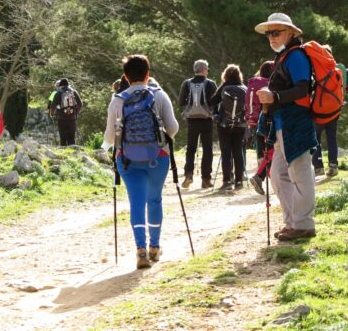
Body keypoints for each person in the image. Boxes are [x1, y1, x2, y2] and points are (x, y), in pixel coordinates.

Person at [104, 54, 179, 269]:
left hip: (127, 161)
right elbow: (173, 128)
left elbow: (110, 138)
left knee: (136, 202)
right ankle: (155, 246)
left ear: (126, 77)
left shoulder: (117, 101)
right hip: (159, 158)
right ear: (148, 74)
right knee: (154, 200)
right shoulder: (160, 96)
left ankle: (141, 250)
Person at [254, 13, 317, 242]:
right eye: (269, 33)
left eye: (276, 32)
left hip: (296, 123)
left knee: (299, 174)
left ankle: (304, 224)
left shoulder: (296, 56)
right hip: (283, 124)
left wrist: (275, 96)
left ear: (291, 33)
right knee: (279, 174)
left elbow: (302, 90)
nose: (271, 37)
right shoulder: (284, 56)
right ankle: (293, 223)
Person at [177, 59, 217, 188]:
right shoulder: (210, 84)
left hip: (192, 120)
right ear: (204, 70)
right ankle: (206, 179)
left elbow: (180, 102)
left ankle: (188, 175)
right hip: (206, 120)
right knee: (207, 150)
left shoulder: (187, 83)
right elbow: (216, 102)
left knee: (191, 149)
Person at [210, 64, 248, 191]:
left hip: (224, 124)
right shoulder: (244, 88)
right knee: (238, 151)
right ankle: (239, 181)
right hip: (240, 124)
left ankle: (227, 181)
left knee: (226, 152)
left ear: (225, 75)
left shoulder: (224, 87)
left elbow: (212, 101)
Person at [311, 45, 341, 178]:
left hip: (318, 111)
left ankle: (318, 167)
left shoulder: (315, 71)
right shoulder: (337, 70)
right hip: (334, 110)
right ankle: (333, 166)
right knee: (332, 138)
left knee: (315, 139)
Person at [246, 61, 275, 195]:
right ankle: (260, 177)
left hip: (255, 122)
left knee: (267, 151)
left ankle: (262, 177)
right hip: (269, 121)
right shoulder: (271, 84)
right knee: (272, 150)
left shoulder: (253, 84)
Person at [48, 78, 83, 146]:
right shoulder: (74, 92)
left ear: (61, 86)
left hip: (61, 118)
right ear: (68, 85)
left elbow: (52, 106)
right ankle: (73, 152)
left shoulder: (58, 93)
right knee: (72, 137)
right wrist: (75, 112)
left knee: (63, 137)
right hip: (72, 118)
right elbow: (80, 104)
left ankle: (64, 151)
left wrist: (51, 114)